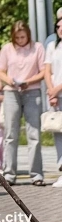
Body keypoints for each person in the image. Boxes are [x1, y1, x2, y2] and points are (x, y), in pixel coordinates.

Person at [0, 21, 46, 185]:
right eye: (17, 37)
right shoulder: (6, 48)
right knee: (11, 134)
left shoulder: (38, 47)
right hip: (11, 92)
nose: (20, 40)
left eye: (23, 37)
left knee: (34, 134)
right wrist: (9, 80)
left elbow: (43, 71)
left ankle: (36, 174)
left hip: (32, 91)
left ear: (28, 35)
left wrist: (28, 81)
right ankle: (9, 174)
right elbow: (0, 71)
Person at [45, 17, 62, 187]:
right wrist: (52, 91)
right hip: (56, 95)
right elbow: (47, 70)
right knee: (58, 133)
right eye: (58, 26)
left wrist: (57, 89)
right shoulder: (52, 46)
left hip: (59, 91)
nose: (60, 29)